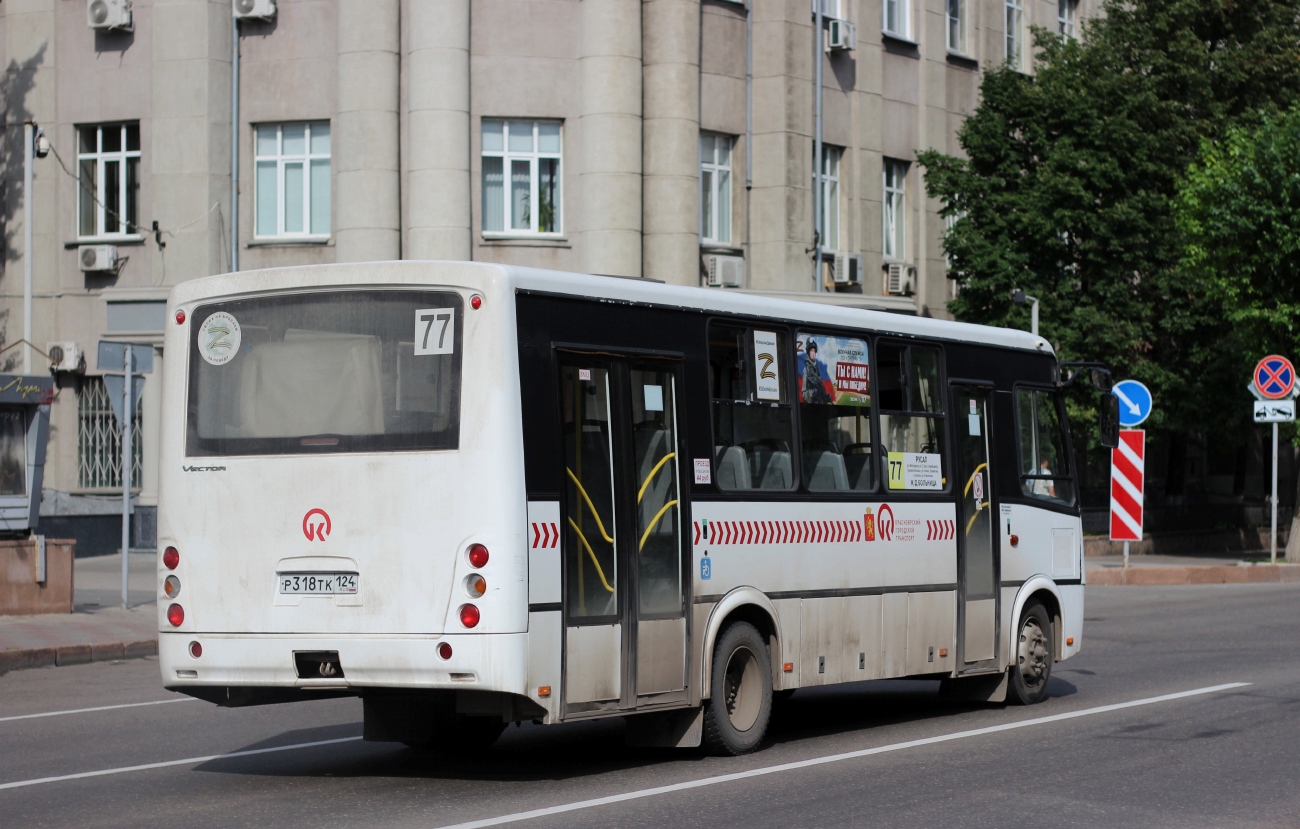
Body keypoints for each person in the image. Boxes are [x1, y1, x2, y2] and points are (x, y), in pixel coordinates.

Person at [802, 339, 833, 404]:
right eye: (811, 350)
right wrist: (812, 393)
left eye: (814, 351)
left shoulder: (817, 370)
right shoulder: (806, 370)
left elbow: (821, 390)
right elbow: (804, 394)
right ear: (808, 352)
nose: (813, 353)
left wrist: (826, 396)